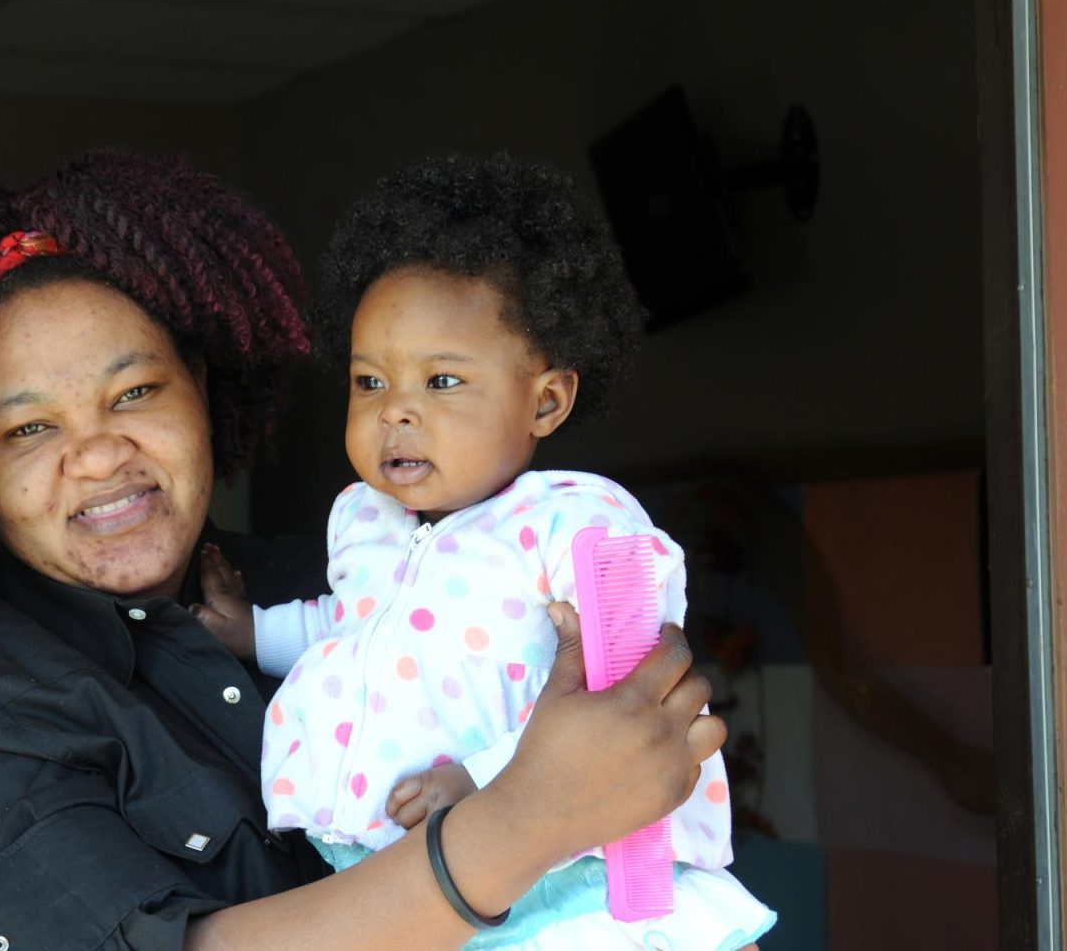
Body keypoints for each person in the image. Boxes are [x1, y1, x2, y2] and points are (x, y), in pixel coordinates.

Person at [0, 150, 729, 951]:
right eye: (28, 428)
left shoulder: (335, 579)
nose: (97, 454)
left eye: (133, 391)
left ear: (199, 390)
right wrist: (521, 823)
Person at [191, 154, 776, 950]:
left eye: (441, 382)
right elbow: (351, 626)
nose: (397, 411)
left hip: (571, 881)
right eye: (369, 383)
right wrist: (252, 634)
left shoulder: (575, 522)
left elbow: (631, 685)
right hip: (409, 886)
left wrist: (492, 785)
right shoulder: (363, 518)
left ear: (545, 399)